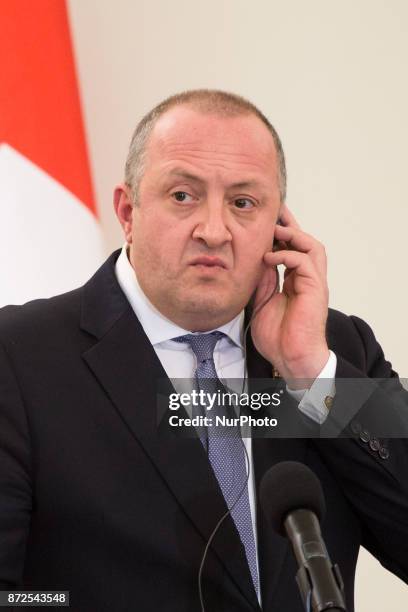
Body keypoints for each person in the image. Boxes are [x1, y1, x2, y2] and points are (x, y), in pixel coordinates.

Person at [0, 89, 407, 612]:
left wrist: (310, 376)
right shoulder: (18, 357)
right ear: (128, 211)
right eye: (183, 196)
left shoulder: (334, 349)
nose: (214, 231)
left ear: (279, 228)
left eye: (243, 203)